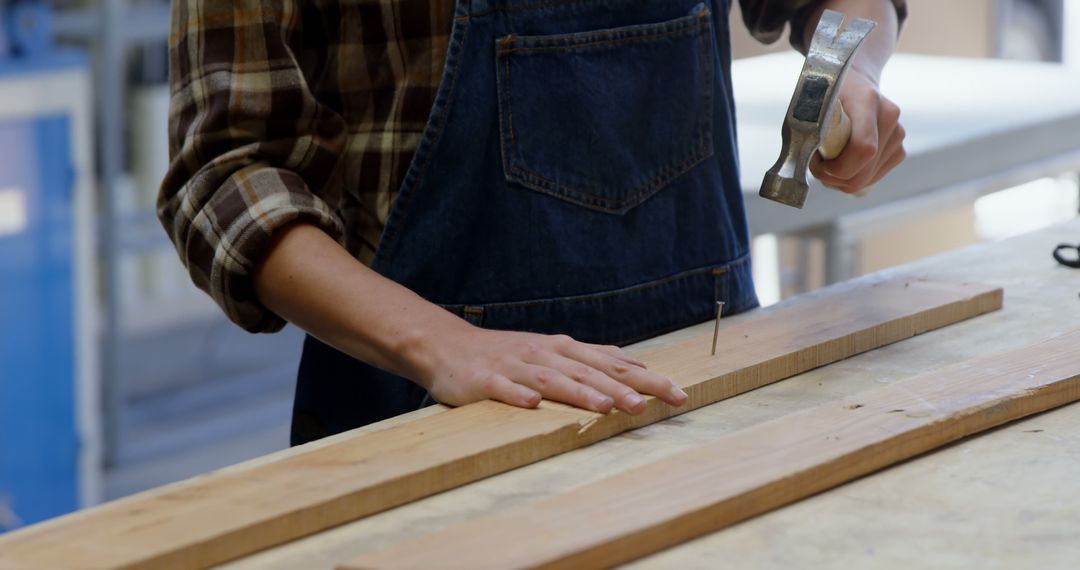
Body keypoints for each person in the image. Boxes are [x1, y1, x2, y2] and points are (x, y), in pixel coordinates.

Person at [161, 0, 907, 446]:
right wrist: (443, 345)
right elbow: (224, 174)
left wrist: (855, 68)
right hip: (426, 415)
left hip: (701, 396)